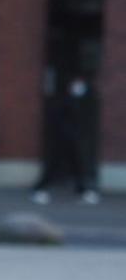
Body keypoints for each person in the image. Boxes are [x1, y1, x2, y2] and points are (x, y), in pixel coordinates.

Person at [32, 73, 100, 205]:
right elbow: (59, 120)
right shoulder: (65, 101)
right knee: (56, 165)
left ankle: (83, 191)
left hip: (73, 140)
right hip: (63, 140)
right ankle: (39, 189)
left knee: (78, 165)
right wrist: (68, 134)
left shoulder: (82, 101)